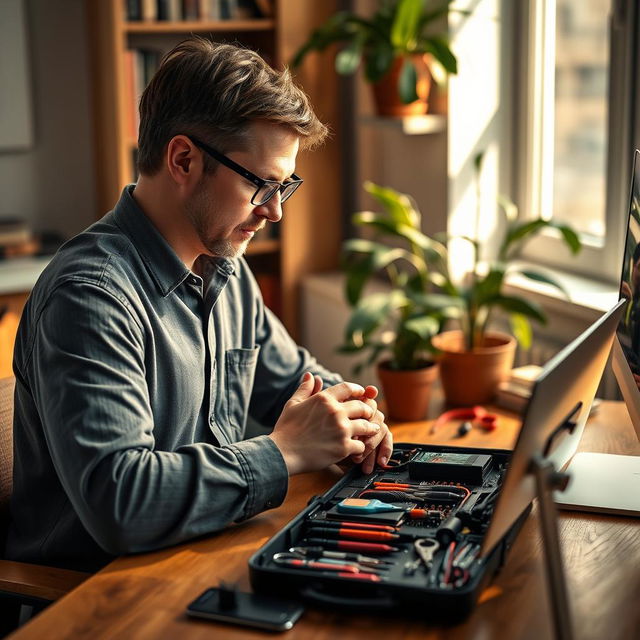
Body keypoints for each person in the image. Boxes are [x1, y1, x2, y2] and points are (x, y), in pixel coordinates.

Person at [7, 38, 392, 572]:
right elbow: (121, 502)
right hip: (98, 599)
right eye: (261, 185)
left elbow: (298, 382)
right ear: (184, 159)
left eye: (286, 187)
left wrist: (355, 419)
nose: (275, 212)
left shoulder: (226, 266)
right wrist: (285, 453)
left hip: (200, 559)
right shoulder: (89, 297)